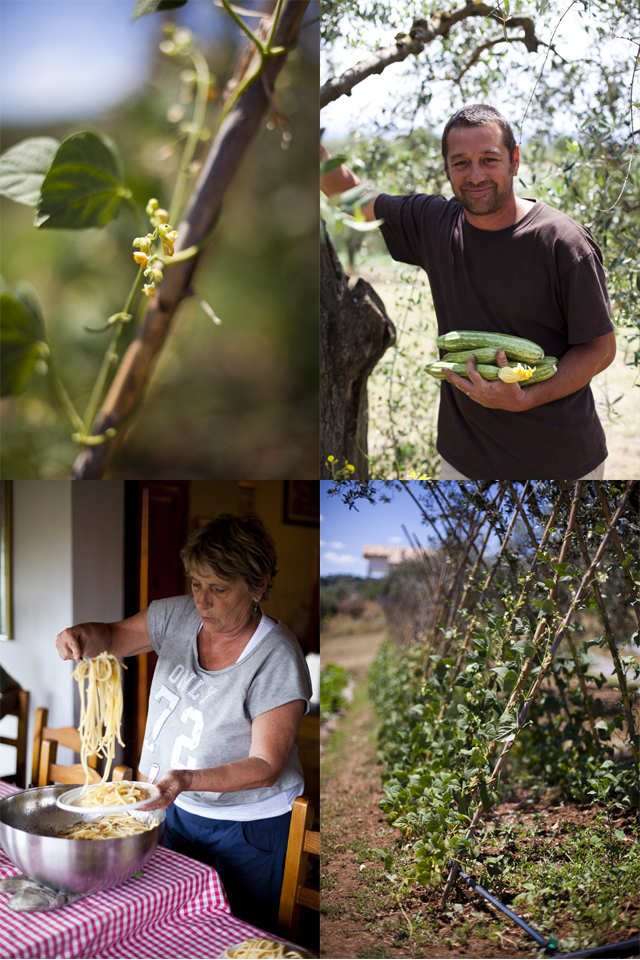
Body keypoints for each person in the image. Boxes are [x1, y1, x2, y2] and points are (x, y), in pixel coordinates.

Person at [321, 104, 617, 480]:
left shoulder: (563, 243)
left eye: (489, 159)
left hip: (561, 466)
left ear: (515, 160)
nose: (475, 175)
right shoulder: (434, 224)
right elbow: (352, 198)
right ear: (446, 169)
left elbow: (600, 349)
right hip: (462, 464)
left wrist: (526, 398)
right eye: (460, 163)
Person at [56, 513, 312, 934]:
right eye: (196, 583)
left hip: (247, 829)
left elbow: (266, 764)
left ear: (260, 584)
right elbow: (112, 636)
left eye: (219, 588)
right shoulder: (175, 616)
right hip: (172, 811)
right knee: (170, 925)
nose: (202, 601)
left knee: (238, 935)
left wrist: (185, 780)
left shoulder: (277, 657)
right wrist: (82, 635)